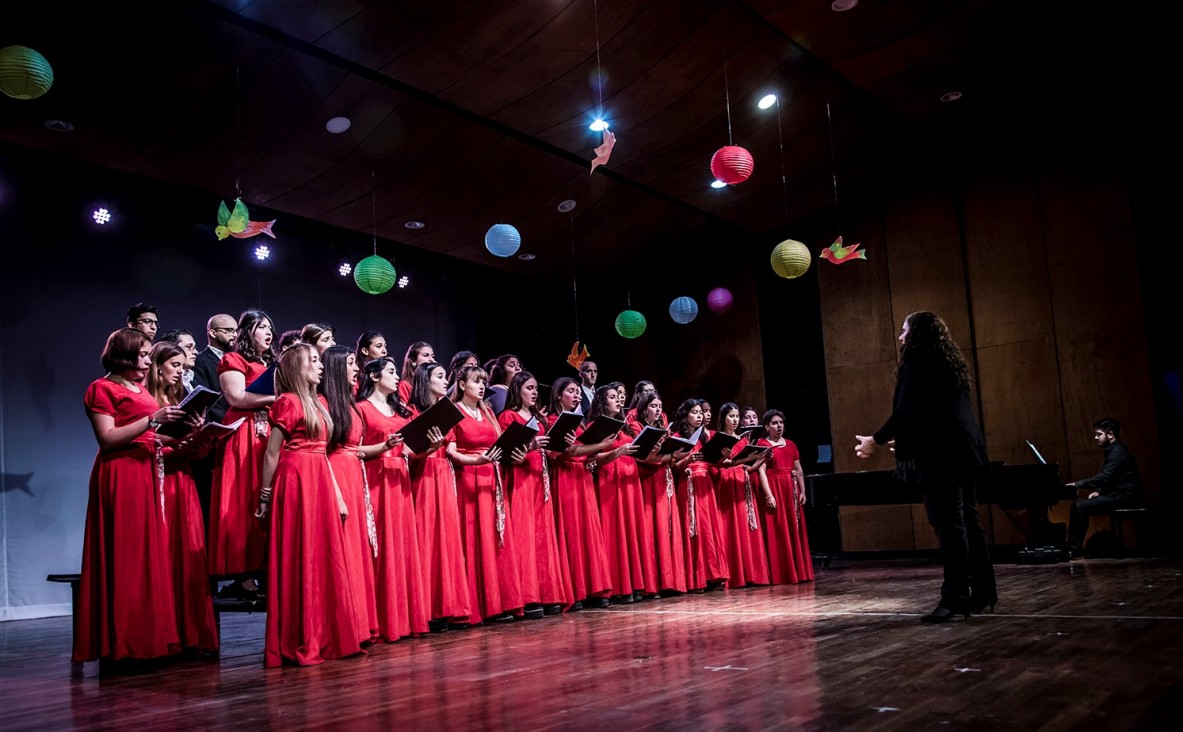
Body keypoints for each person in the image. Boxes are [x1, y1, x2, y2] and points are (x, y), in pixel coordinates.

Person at [855, 311, 994, 622]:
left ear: (917, 333)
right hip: (965, 450)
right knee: (968, 522)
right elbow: (932, 412)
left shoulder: (917, 361)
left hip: (943, 455)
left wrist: (875, 440)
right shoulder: (946, 361)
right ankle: (983, 591)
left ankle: (955, 598)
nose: (901, 337)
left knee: (950, 525)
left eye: (905, 330)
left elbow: (906, 410)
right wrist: (909, 439)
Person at [74, 328, 186, 665]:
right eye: (142, 356)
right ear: (123, 356)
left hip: (146, 469)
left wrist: (181, 438)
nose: (147, 362)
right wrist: (153, 420)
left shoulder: (138, 388)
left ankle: (147, 637)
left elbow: (149, 437)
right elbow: (108, 439)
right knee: (126, 554)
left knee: (147, 555)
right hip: (121, 473)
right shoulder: (101, 388)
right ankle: (122, 642)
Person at [255, 344, 363, 667]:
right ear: (297, 368)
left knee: (324, 557)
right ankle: (300, 637)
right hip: (296, 480)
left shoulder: (318, 402)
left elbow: (323, 453)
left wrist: (338, 494)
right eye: (313, 361)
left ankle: (325, 633)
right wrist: (264, 494)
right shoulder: (288, 402)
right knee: (300, 556)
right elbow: (273, 452)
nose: (320, 366)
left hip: (318, 477)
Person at [146, 341, 219, 655]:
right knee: (163, 553)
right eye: (175, 366)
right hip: (159, 480)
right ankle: (161, 631)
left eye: (182, 367)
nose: (180, 372)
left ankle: (189, 632)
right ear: (157, 365)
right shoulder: (147, 401)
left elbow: (189, 448)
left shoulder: (180, 398)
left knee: (187, 553)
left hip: (183, 479)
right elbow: (144, 441)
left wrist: (200, 438)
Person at [356, 357, 430, 640]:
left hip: (400, 480)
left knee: (401, 548)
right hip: (377, 481)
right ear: (374, 376)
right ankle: (381, 621)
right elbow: (356, 449)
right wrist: (383, 446)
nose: (397, 376)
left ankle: (404, 619)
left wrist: (427, 446)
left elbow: (409, 451)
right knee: (381, 548)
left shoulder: (399, 410)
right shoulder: (361, 408)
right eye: (390, 372)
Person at [447, 365, 525, 624]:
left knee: (494, 538)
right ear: (461, 385)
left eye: (483, 382)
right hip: (468, 477)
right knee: (473, 538)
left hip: (491, 479)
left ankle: (497, 602)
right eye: (476, 382)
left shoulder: (488, 412)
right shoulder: (454, 411)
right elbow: (452, 452)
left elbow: (501, 443)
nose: (482, 387)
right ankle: (475, 606)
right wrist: (476, 461)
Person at [209, 309, 276, 593]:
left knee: (268, 494)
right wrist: (278, 398)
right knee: (244, 497)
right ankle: (244, 574)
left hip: (270, 432)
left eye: (270, 327)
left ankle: (266, 566)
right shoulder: (233, 359)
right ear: (247, 331)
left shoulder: (273, 362)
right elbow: (236, 396)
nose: (268, 332)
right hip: (246, 433)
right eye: (261, 327)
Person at [320, 346, 381, 645]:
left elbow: (357, 448)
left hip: (356, 475)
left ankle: (360, 624)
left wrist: (384, 447)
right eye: (351, 364)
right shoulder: (325, 403)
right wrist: (337, 493)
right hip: (337, 476)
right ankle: (344, 624)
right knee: (342, 550)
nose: (357, 369)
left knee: (357, 549)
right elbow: (324, 452)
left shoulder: (351, 403)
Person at [499, 371, 573, 615]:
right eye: (529, 388)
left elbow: (551, 453)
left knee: (542, 537)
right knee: (524, 535)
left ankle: (546, 592)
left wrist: (563, 442)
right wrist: (529, 446)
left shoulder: (538, 419)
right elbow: (506, 452)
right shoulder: (508, 416)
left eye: (535, 389)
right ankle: (527, 595)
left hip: (540, 479)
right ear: (517, 389)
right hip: (520, 479)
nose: (534, 392)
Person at [406, 360, 471, 628]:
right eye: (440, 376)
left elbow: (452, 449)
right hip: (422, 475)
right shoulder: (411, 411)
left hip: (443, 474)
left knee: (446, 539)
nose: (447, 381)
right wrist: (430, 448)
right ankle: (427, 608)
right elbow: (409, 451)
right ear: (425, 380)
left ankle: (448, 606)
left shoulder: (446, 411)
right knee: (426, 538)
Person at [547, 376, 614, 608]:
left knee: (587, 533)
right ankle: (574, 590)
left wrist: (620, 450)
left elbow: (590, 454)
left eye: (578, 392)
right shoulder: (553, 420)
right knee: (572, 533)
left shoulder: (582, 424)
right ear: (558, 395)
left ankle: (591, 589)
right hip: (566, 477)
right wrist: (601, 445)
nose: (576, 395)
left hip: (583, 477)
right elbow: (568, 452)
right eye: (571, 391)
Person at [589, 385, 652, 603]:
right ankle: (617, 586)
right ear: (602, 402)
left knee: (630, 531)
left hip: (629, 478)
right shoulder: (596, 425)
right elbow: (594, 459)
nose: (618, 400)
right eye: (612, 397)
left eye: (618, 397)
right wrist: (619, 452)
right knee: (614, 530)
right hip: (610, 479)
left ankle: (634, 583)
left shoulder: (625, 426)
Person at [1065, 417, 1142, 558]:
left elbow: (1105, 477)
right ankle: (1071, 547)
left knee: (1079, 507)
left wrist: (1078, 484)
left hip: (1125, 496)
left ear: (1110, 434)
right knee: (1078, 507)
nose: (1095, 437)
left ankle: (1073, 549)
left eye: (1099, 434)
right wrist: (1099, 492)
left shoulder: (1118, 451)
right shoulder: (1115, 450)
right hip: (1118, 493)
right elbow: (1113, 479)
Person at [755, 410, 809, 585]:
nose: (779, 426)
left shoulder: (791, 444)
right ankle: (781, 573)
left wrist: (803, 492)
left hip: (790, 490)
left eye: (781, 422)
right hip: (775, 487)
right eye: (774, 423)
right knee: (778, 530)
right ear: (766, 426)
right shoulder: (763, 444)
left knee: (794, 528)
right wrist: (769, 495)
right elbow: (761, 471)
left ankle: (798, 571)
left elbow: (799, 470)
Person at [191, 314, 237, 425]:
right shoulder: (199, 361)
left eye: (236, 331)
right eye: (229, 330)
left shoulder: (238, 359)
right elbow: (206, 400)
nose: (235, 335)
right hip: (220, 426)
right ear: (213, 333)